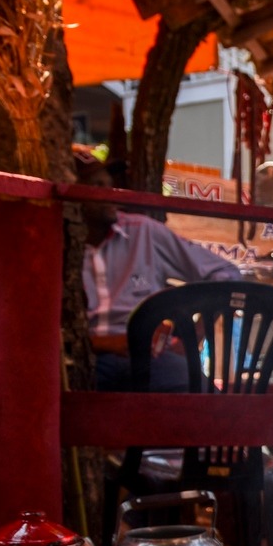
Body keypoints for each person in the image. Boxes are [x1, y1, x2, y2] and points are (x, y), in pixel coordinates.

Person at [76, 152, 243, 391]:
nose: (109, 194)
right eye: (96, 186)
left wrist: (192, 336)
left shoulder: (143, 232)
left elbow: (227, 274)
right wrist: (104, 343)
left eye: (109, 185)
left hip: (148, 358)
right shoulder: (56, 243)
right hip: (86, 359)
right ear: (73, 194)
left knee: (210, 401)